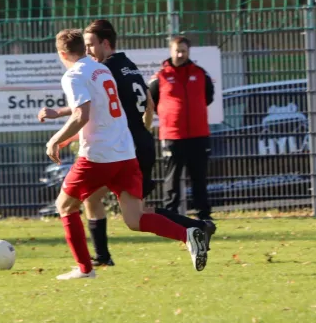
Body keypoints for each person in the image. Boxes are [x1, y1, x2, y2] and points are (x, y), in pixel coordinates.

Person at [39, 20, 216, 268]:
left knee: (87, 204)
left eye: (91, 45)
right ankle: (193, 230)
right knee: (131, 214)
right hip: (133, 144)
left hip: (119, 147)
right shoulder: (127, 66)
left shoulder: (103, 70)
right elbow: (145, 103)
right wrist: (145, 126)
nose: (88, 51)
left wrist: (59, 135)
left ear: (105, 43)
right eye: (85, 45)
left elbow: (90, 110)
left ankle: (94, 262)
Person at [148, 36, 214, 220]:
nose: (180, 54)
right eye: (177, 50)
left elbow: (208, 97)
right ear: (171, 51)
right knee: (172, 178)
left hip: (199, 135)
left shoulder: (201, 74)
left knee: (199, 178)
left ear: (188, 52)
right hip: (173, 135)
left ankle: (204, 215)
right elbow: (150, 102)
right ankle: (171, 215)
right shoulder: (160, 77)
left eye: (183, 51)